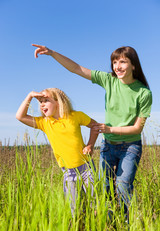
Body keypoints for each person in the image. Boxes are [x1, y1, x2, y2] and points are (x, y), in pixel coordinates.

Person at [32, 44, 152, 218]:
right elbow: (76, 69)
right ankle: (110, 225)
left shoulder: (143, 93)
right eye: (114, 62)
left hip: (130, 146)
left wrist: (109, 128)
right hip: (108, 146)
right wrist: (52, 53)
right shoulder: (109, 80)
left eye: (123, 62)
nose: (117, 66)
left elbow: (137, 128)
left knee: (123, 185)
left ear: (133, 65)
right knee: (105, 189)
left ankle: (127, 227)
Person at [16, 87, 98, 215]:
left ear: (58, 102)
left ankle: (100, 230)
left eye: (46, 100)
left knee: (95, 205)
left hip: (87, 168)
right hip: (68, 172)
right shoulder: (45, 123)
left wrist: (90, 145)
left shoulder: (75, 116)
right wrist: (30, 96)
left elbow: (95, 126)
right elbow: (20, 116)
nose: (42, 104)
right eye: (40, 101)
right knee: (74, 210)